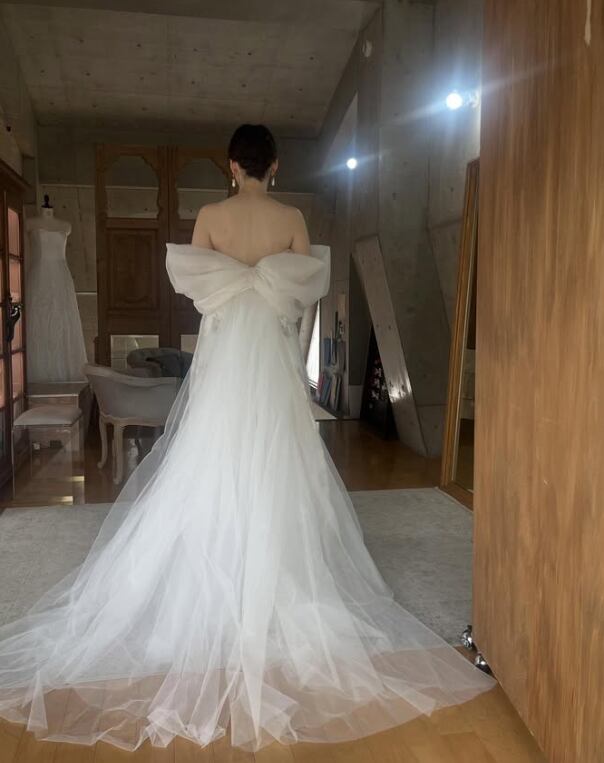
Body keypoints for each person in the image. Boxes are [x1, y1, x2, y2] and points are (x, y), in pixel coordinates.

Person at [0, 124, 495, 753]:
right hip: (269, 353)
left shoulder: (212, 216)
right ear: (275, 165)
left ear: (233, 166)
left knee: (212, 455)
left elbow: (196, 292)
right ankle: (276, 564)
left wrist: (235, 292)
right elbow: (302, 297)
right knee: (278, 457)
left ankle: (218, 551)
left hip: (227, 353)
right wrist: (268, 298)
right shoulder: (291, 218)